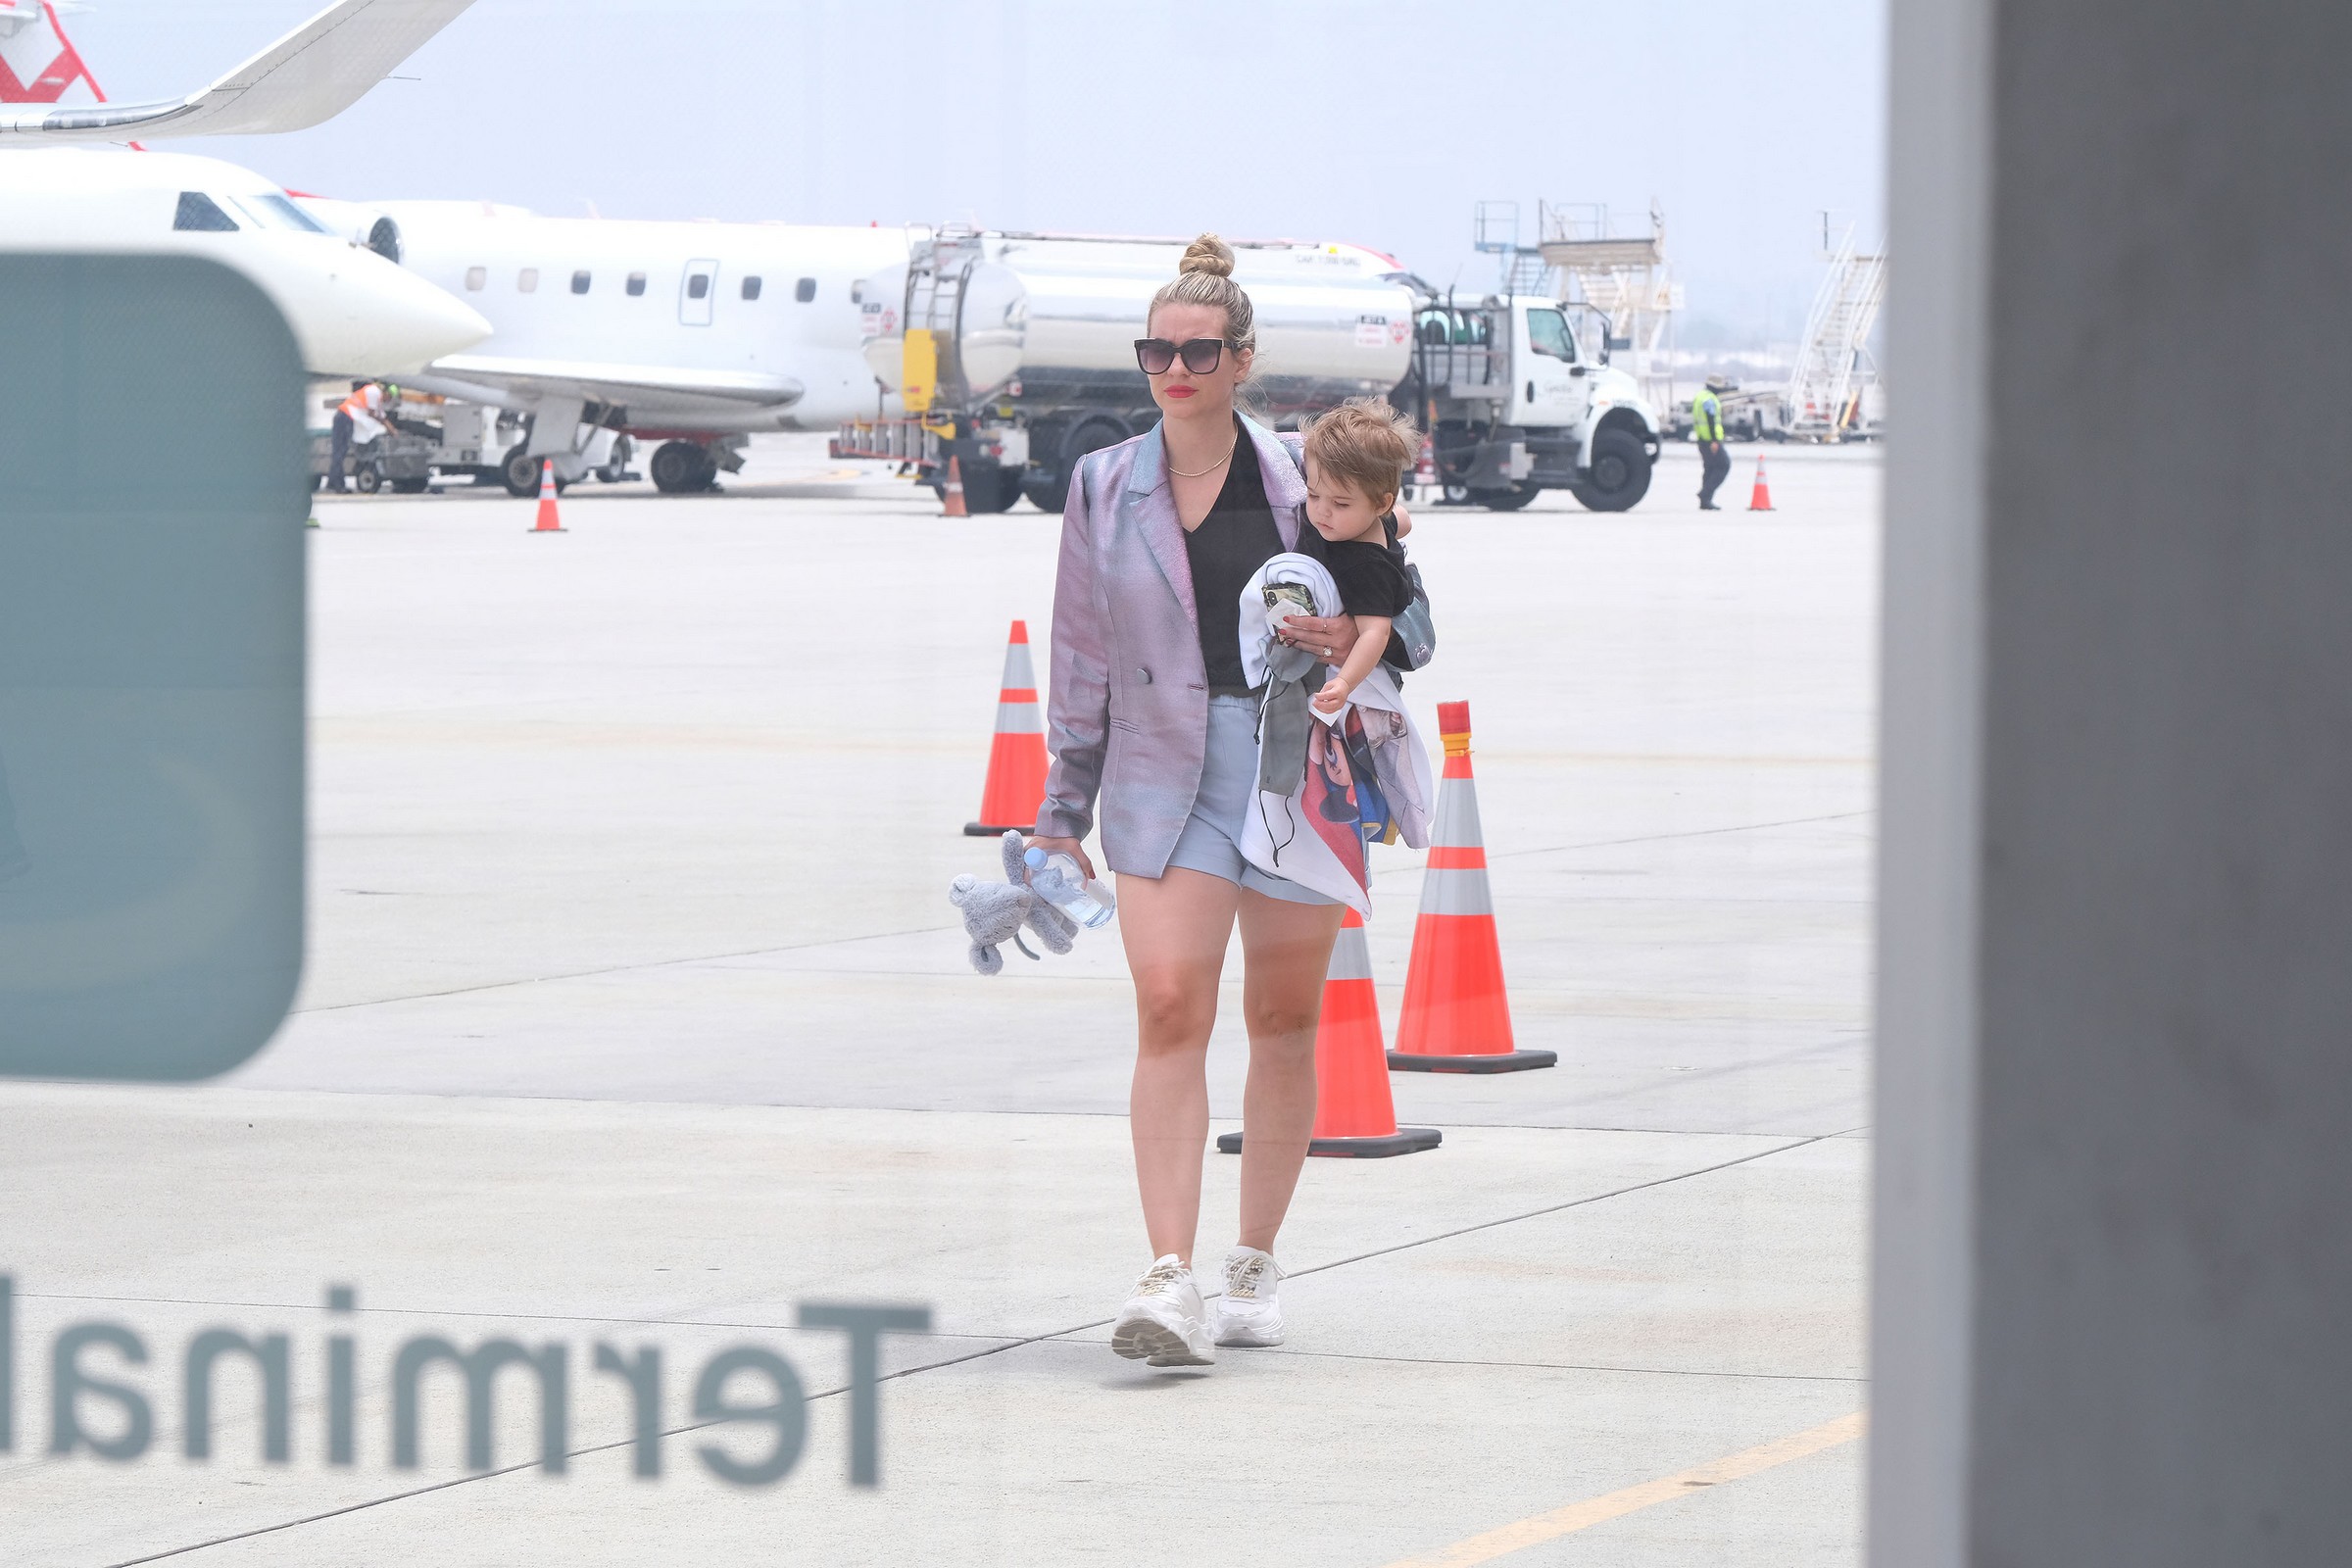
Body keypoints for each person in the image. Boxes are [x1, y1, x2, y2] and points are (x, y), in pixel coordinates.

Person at [1029, 234, 1434, 1369]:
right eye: (1157, 350)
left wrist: (1349, 632)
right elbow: (1079, 654)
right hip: (1160, 773)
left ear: (1242, 359)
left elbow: (1414, 620)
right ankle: (1169, 1276)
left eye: (1199, 352)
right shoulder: (1102, 484)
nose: (1175, 369)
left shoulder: (1311, 475)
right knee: (1170, 1006)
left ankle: (1253, 1262)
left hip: (1296, 769)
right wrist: (1060, 810)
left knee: (1283, 1020)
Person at [1297, 400, 1419, 715]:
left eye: (1341, 503)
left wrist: (1344, 683)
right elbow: (1403, 520)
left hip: (1361, 682)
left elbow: (1375, 633)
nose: (1322, 511)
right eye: (1313, 495)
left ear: (1381, 504)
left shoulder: (1365, 568)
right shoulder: (1370, 521)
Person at [327, 379, 387, 493]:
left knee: (340, 451)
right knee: (340, 451)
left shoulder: (373, 395)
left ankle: (333, 482)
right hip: (345, 417)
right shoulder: (374, 392)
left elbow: (381, 416)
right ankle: (337, 484)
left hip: (345, 416)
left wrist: (390, 428)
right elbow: (372, 413)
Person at [1692, 372, 1733, 510]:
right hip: (1711, 440)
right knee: (1724, 465)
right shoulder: (1709, 399)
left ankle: (1705, 501)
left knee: (1709, 469)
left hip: (1701, 439)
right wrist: (1714, 441)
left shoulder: (1699, 396)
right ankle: (1705, 494)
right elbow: (1710, 420)